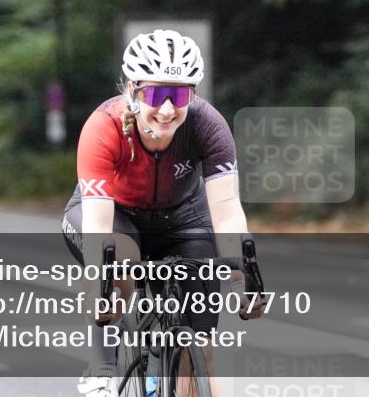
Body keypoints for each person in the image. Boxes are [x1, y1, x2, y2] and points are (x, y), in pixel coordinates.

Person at [61, 29, 261, 397]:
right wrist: (97, 285)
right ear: (132, 89)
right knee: (117, 262)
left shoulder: (208, 125)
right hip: (115, 215)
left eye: (180, 94)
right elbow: (98, 228)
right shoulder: (103, 127)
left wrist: (240, 278)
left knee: (201, 348)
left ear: (193, 95)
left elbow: (227, 211)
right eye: (155, 93)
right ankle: (102, 366)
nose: (167, 109)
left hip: (183, 217)